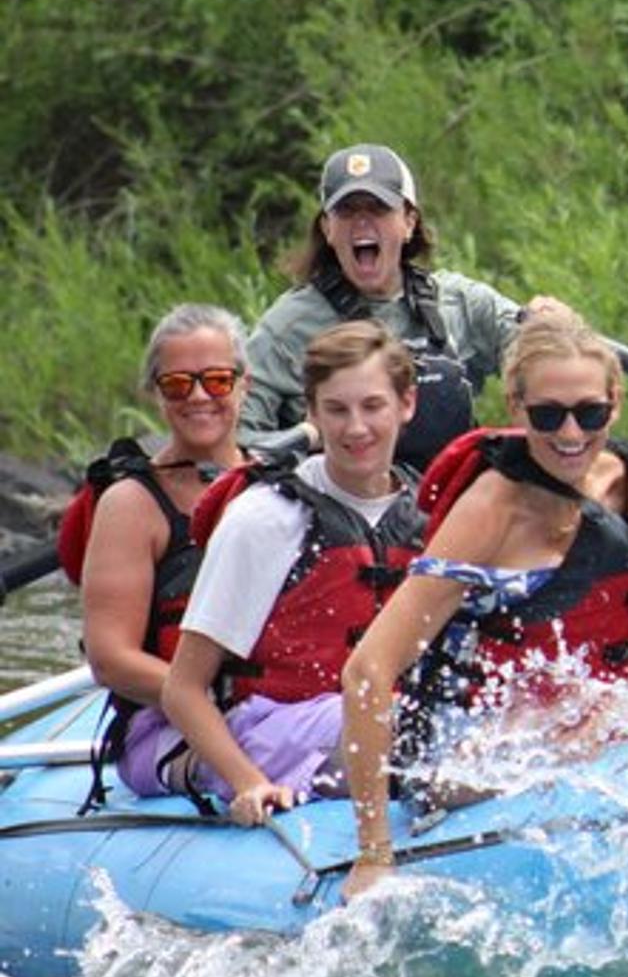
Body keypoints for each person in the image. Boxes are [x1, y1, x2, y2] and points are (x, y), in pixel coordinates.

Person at [338, 307, 628, 898]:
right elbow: (368, 670)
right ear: (516, 409)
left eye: (589, 413)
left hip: (578, 716)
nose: (570, 435)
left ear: (614, 403)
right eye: (548, 415)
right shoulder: (493, 509)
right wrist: (373, 853)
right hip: (465, 747)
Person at [151, 322, 423, 822]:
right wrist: (248, 783)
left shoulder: (432, 516)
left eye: (373, 406)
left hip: (384, 719)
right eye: (336, 410)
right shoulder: (266, 517)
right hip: (275, 728)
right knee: (400, 733)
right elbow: (182, 688)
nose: (355, 428)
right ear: (312, 413)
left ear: (406, 404)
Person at [240, 142, 559, 468]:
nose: (362, 223)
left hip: (449, 505)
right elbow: (240, 442)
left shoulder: (459, 303)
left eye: (378, 209)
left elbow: (553, 360)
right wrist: (308, 437)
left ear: (409, 221)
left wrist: (551, 325)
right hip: (333, 506)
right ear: (327, 229)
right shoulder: (286, 327)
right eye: (347, 212)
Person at [72, 305, 253, 804]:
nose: (198, 397)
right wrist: (207, 703)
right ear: (155, 393)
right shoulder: (130, 505)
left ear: (245, 384)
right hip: (164, 725)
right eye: (177, 384)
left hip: (268, 709)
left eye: (217, 380)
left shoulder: (276, 489)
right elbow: (111, 660)